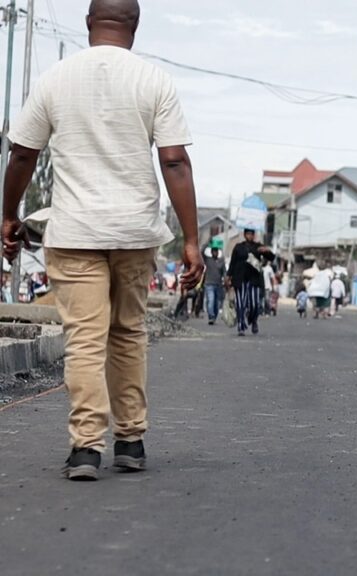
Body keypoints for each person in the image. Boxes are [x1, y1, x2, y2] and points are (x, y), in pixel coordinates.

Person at [1, 0, 202, 481]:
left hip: (74, 232)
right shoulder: (155, 81)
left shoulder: (56, 79)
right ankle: (130, 440)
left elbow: (24, 153)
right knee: (128, 332)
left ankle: (86, 448)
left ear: (90, 23)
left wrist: (8, 215)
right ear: (134, 27)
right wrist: (191, 240)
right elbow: (174, 161)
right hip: (134, 233)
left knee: (84, 340)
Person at [227, 229, 272, 336]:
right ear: (244, 235)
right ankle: (241, 327)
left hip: (254, 279)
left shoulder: (258, 247)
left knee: (254, 304)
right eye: (248, 234)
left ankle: (253, 320)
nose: (250, 236)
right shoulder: (238, 247)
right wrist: (228, 276)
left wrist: (266, 251)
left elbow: (271, 257)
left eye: (251, 234)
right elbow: (232, 263)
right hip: (240, 279)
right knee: (240, 304)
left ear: (254, 235)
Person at [203, 246, 226, 325]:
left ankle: (214, 316)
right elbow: (201, 252)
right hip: (209, 284)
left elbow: (224, 273)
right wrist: (207, 243)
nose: (215, 253)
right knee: (211, 300)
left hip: (218, 285)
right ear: (211, 252)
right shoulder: (208, 260)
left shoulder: (221, 261)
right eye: (213, 251)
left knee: (217, 303)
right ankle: (211, 316)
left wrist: (226, 282)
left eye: (216, 251)